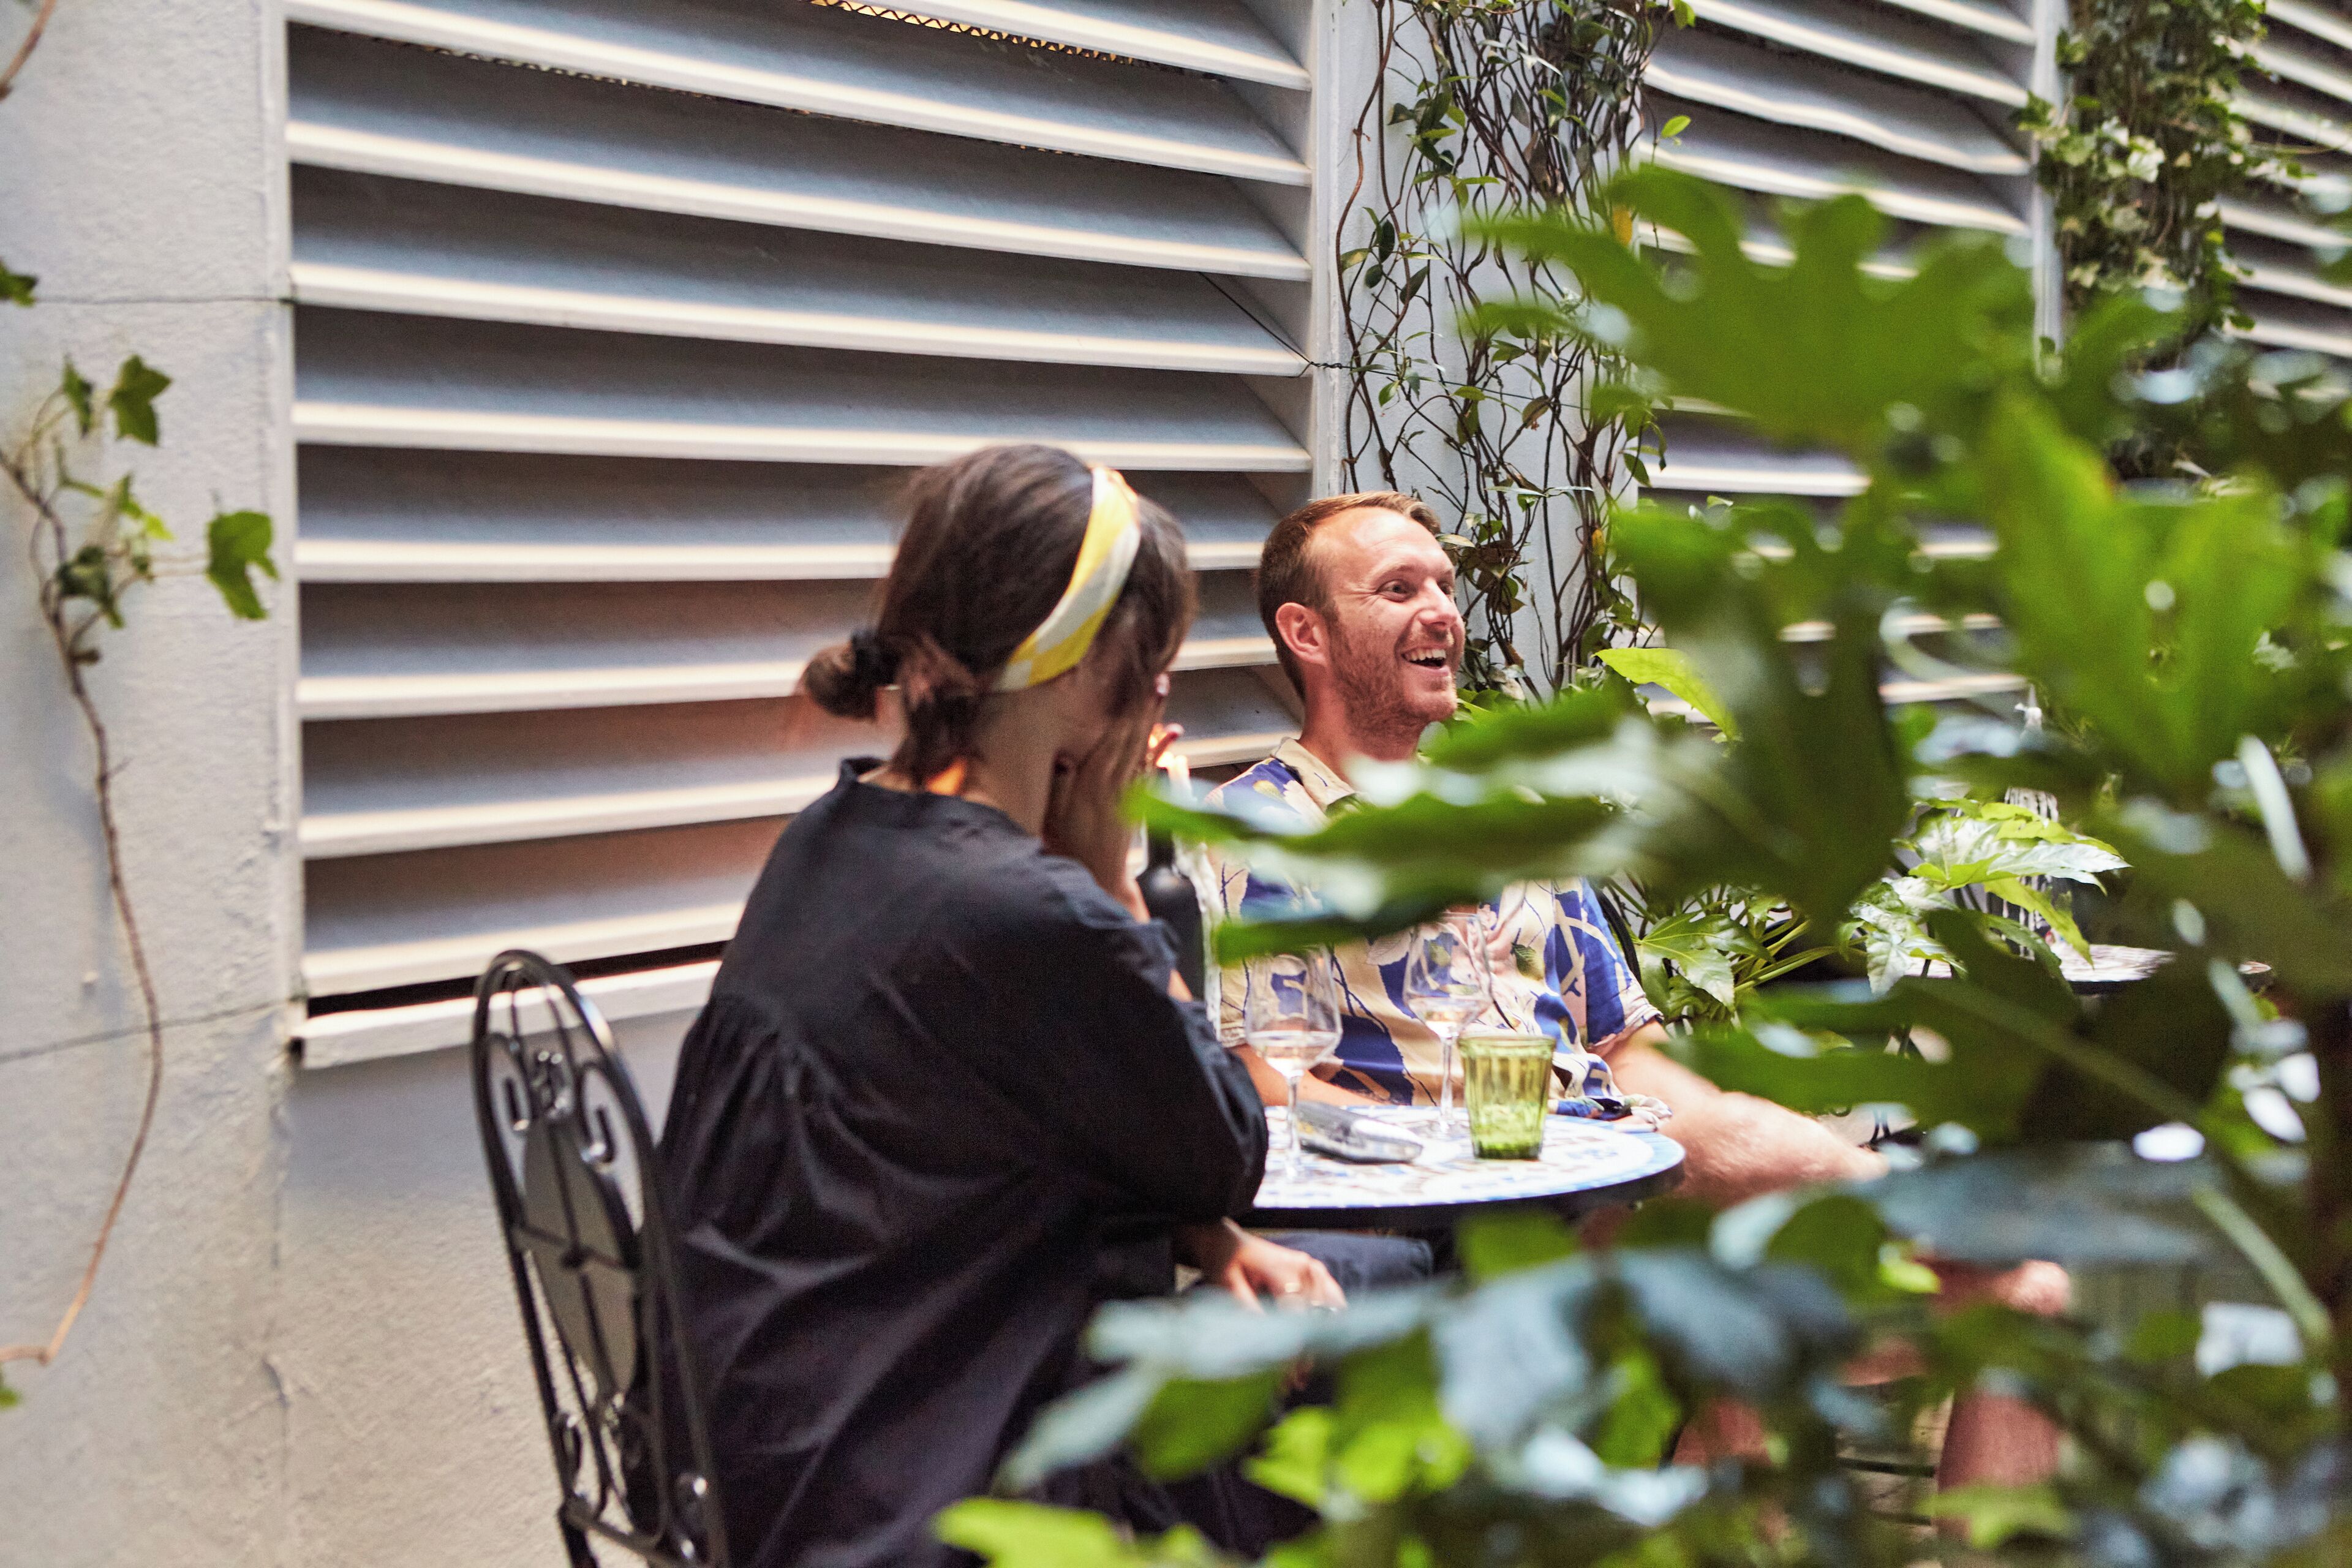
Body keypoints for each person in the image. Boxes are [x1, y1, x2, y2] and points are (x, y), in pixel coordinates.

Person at [1204, 489, 2067, 1488]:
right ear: (1305, 633)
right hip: (1473, 1212)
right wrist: (1476, 1142)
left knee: (2026, 1299)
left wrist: (1680, 1134)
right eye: (1398, 589)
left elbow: (1628, 1046)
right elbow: (1263, 1081)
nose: (1442, 610)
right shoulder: (1258, 837)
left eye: (1444, 584)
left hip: (1624, 1182)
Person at [657, 448, 1413, 1568]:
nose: (1162, 689)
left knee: (1326, 1285)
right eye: (1154, 656)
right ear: (1092, 669)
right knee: (1395, 1294)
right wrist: (1112, 872)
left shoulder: (838, 836)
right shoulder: (1032, 911)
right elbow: (1221, 1148)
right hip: (915, 1488)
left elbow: (981, 1143)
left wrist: (1206, 1240)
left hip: (759, 1448)